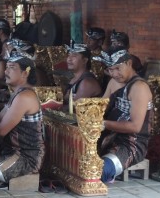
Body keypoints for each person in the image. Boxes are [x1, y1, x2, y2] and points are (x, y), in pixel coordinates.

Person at [0, 54, 45, 191]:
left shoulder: (25, 96)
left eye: (11, 68)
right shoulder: (17, 94)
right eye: (6, 67)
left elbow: (1, 129)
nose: (5, 71)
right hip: (9, 150)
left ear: (25, 73)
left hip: (26, 158)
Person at [97, 48, 153, 183]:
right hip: (108, 138)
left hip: (130, 145)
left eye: (117, 68)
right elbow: (100, 109)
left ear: (128, 63)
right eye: (110, 69)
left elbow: (135, 126)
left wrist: (103, 124)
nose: (114, 73)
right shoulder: (113, 82)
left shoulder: (139, 87)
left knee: (97, 173)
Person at [64, 43, 101, 110]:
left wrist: (54, 108)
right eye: (69, 55)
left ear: (84, 60)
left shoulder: (86, 83)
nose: (69, 59)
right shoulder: (74, 78)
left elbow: (73, 108)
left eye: (74, 56)